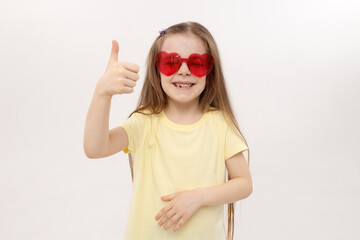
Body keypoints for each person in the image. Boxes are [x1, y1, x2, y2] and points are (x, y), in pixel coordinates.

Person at [83, 21, 253, 240]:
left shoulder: (220, 124)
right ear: (157, 70)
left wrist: (198, 197)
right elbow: (95, 148)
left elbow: (244, 184)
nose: (183, 71)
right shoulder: (144, 123)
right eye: (171, 62)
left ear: (210, 72)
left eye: (197, 63)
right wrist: (102, 94)